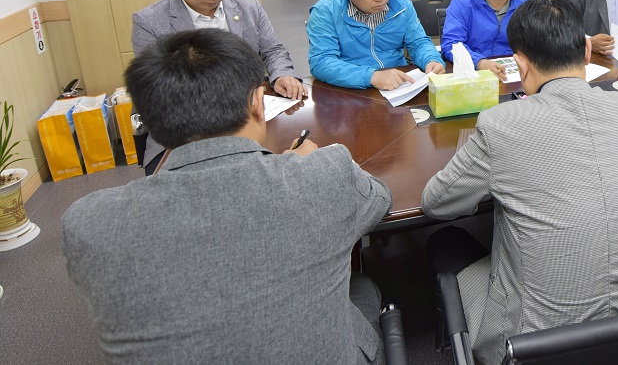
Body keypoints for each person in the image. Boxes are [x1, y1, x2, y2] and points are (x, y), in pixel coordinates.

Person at [62, 29, 392, 364]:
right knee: (362, 288)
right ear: (257, 103)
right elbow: (379, 200)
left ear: (147, 121)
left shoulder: (88, 223)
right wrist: (298, 167)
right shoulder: (324, 173)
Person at [422, 0, 618, 365]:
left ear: (520, 65)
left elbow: (436, 202)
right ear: (588, 50)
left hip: (535, 344)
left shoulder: (502, 123)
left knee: (446, 241)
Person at [132, 0, 305, 175]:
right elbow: (157, 92)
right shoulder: (150, 21)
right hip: (187, 131)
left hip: (253, 117)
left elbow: (272, 49)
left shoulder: (247, 4)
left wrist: (283, 74)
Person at [308, 0, 445, 90]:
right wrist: (371, 76)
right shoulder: (325, 11)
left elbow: (418, 42)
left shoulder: (401, 3)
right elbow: (321, 62)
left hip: (398, 84)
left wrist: (431, 59)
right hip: (351, 88)